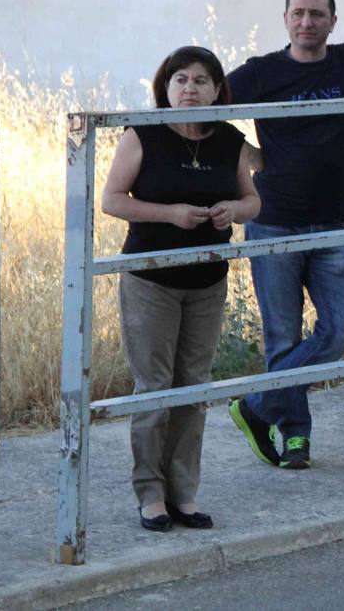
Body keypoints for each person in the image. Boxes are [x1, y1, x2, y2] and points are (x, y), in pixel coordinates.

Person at [102, 46, 260, 530]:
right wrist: (170, 214)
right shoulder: (143, 133)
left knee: (194, 386)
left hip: (208, 278)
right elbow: (112, 200)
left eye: (201, 81)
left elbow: (252, 198)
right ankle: (149, 494)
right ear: (165, 89)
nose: (190, 89)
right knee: (154, 386)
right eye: (180, 80)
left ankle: (183, 494)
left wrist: (234, 211)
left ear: (217, 89)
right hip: (151, 278)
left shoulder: (230, 138)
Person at [226, 0, 344, 471]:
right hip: (273, 224)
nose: (307, 22)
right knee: (284, 337)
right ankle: (294, 437)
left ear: (333, 20)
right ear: (285, 18)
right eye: (299, 13)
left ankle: (256, 404)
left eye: (317, 13)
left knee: (343, 331)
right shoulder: (262, 72)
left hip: (334, 224)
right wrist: (245, 154)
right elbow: (202, 105)